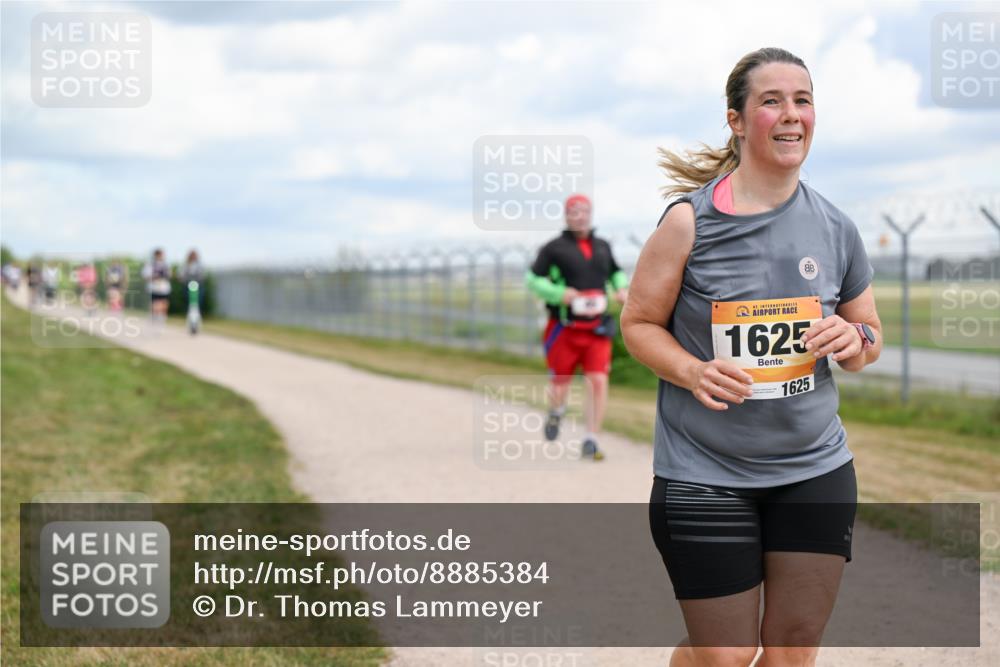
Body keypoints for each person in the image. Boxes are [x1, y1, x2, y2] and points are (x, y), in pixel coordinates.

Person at [621, 48, 881, 667]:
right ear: (737, 120)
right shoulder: (688, 222)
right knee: (726, 656)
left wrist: (855, 340)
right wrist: (692, 370)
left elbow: (870, 335)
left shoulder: (837, 227)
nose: (791, 114)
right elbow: (638, 323)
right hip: (704, 473)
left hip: (814, 470)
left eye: (802, 100)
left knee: (793, 652)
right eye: (772, 101)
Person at [526, 194, 629, 461]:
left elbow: (616, 272)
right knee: (560, 385)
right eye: (574, 212)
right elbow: (533, 279)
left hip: (597, 329)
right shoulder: (553, 248)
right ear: (567, 216)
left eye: (584, 211)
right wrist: (559, 294)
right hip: (564, 329)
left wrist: (621, 288)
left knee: (598, 380)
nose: (580, 216)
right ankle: (556, 411)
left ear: (590, 214)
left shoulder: (603, 246)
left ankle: (591, 439)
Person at [142, 248, 172, 323]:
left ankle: (162, 317)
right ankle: (153, 317)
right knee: (154, 303)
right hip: (154, 287)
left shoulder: (166, 265)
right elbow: (146, 276)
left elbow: (169, 275)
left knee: (164, 303)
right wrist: (154, 277)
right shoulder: (150, 264)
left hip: (163, 287)